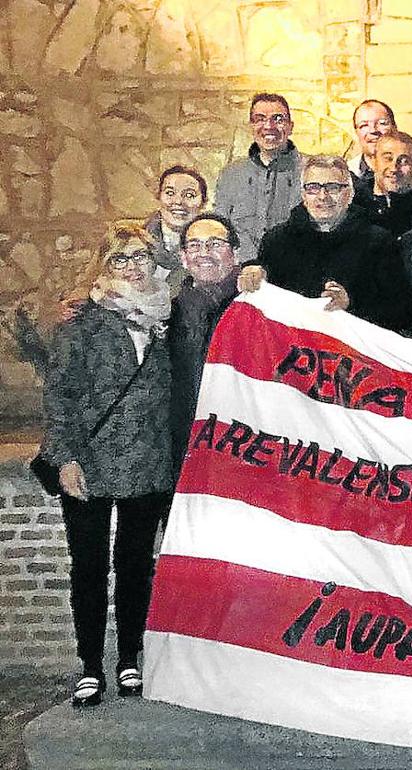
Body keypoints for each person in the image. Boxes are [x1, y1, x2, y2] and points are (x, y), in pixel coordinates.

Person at [41, 221, 174, 708]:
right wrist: (66, 457)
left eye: (140, 256)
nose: (132, 267)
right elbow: (59, 396)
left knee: (137, 566)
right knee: (90, 567)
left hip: (148, 463)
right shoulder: (82, 323)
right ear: (104, 265)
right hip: (91, 462)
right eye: (120, 258)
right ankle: (92, 664)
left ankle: (130, 659)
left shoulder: (167, 315)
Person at [238, 155, 412, 332]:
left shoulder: (379, 242)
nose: (323, 196)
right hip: (292, 349)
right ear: (303, 195)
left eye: (333, 187)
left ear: (349, 194)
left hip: (352, 350)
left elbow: (402, 313)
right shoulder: (276, 241)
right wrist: (253, 272)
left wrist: (351, 303)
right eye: (313, 188)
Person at [169, 213, 242, 473]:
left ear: (235, 254)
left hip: (241, 446)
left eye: (215, 244)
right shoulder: (167, 316)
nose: (204, 253)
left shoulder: (259, 311)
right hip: (183, 448)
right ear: (183, 258)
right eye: (195, 245)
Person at [213, 92, 302, 262]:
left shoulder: (309, 171)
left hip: (294, 272)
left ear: (290, 127)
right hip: (242, 274)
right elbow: (220, 228)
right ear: (251, 126)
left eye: (278, 119)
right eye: (260, 119)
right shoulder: (230, 175)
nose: (269, 126)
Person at [144, 165, 206, 292]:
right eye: (170, 193)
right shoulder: (136, 241)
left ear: (203, 202)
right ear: (159, 196)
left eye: (189, 195)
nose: (178, 202)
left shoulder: (213, 249)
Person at [359, 131, 412, 237]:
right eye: (388, 158)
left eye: (404, 161)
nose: (394, 168)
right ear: (374, 161)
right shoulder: (355, 206)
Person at [347, 99, 398, 197]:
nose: (373, 130)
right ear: (356, 133)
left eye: (382, 123)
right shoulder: (344, 175)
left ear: (394, 128)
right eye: (364, 125)